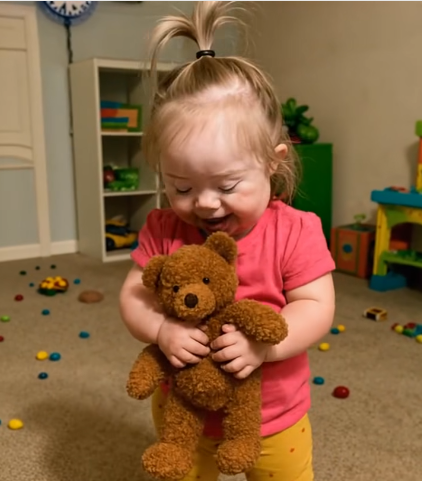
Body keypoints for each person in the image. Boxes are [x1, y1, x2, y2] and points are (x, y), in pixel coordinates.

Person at [119, 2, 336, 480]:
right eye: (181, 187)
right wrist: (161, 330)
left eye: (227, 185)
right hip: (184, 413)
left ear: (273, 162)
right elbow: (134, 295)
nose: (204, 203)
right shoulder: (163, 229)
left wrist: (265, 348)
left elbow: (316, 306)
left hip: (274, 418)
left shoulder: (295, 230)